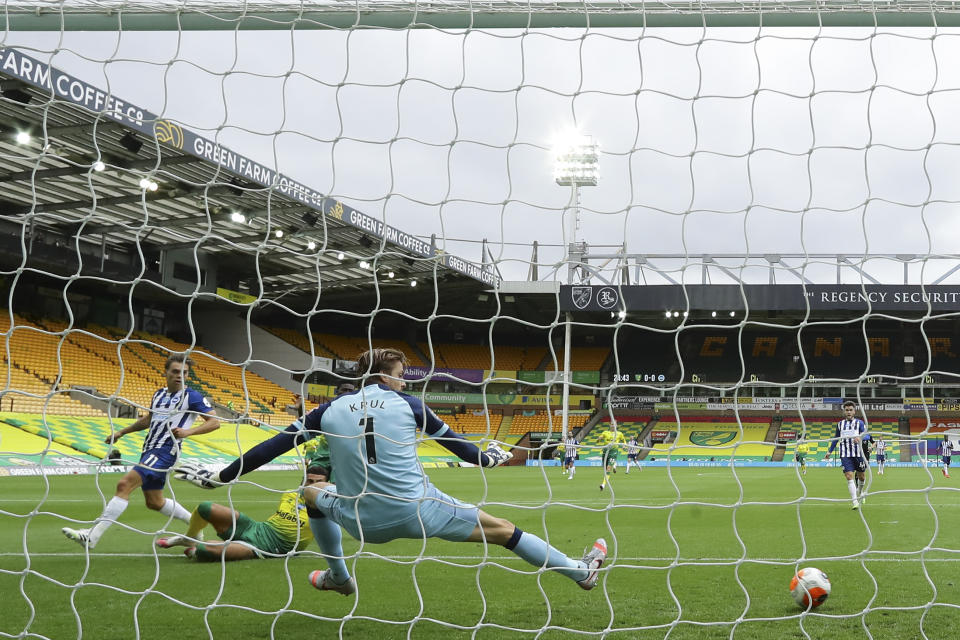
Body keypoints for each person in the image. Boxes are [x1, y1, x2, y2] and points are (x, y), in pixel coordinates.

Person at [177, 348, 607, 595]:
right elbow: (467, 454)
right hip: (421, 510)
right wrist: (491, 457)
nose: (406, 382)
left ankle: (339, 577)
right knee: (504, 530)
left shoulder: (327, 409)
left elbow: (271, 447)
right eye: (402, 375)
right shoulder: (410, 405)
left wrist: (225, 475)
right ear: (386, 376)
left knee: (311, 495)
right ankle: (580, 572)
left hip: (359, 519)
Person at [62, 354, 220, 548]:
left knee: (124, 485)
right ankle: (195, 527)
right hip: (149, 450)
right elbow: (149, 419)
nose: (180, 376)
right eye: (176, 372)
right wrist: (122, 432)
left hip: (165, 451)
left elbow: (215, 422)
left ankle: (92, 536)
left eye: (184, 373)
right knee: (154, 502)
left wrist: (188, 432)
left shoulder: (192, 396)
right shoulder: (159, 394)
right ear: (166, 372)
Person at [156, 462, 327, 561]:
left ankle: (196, 545)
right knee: (205, 508)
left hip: (268, 548)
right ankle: (190, 537)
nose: (312, 485)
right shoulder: (290, 494)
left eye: (317, 482)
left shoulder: (324, 506)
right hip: (257, 528)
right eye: (309, 481)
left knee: (203, 551)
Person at [823, 401, 868, 510]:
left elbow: (867, 436)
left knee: (861, 476)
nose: (848, 412)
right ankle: (854, 501)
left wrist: (860, 437)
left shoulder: (860, 423)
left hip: (858, 453)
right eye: (846, 410)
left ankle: (860, 492)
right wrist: (829, 451)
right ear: (844, 411)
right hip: (845, 454)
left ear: (854, 411)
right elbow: (836, 438)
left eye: (850, 410)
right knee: (848, 476)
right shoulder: (840, 424)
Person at [597, 423, 627, 491]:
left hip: (614, 452)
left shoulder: (619, 433)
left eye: (614, 424)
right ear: (609, 425)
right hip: (605, 452)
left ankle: (603, 484)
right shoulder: (605, 432)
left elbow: (624, 440)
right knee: (605, 469)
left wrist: (624, 445)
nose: (613, 425)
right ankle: (614, 465)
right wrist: (599, 439)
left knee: (608, 468)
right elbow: (598, 440)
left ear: (616, 425)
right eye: (611, 424)